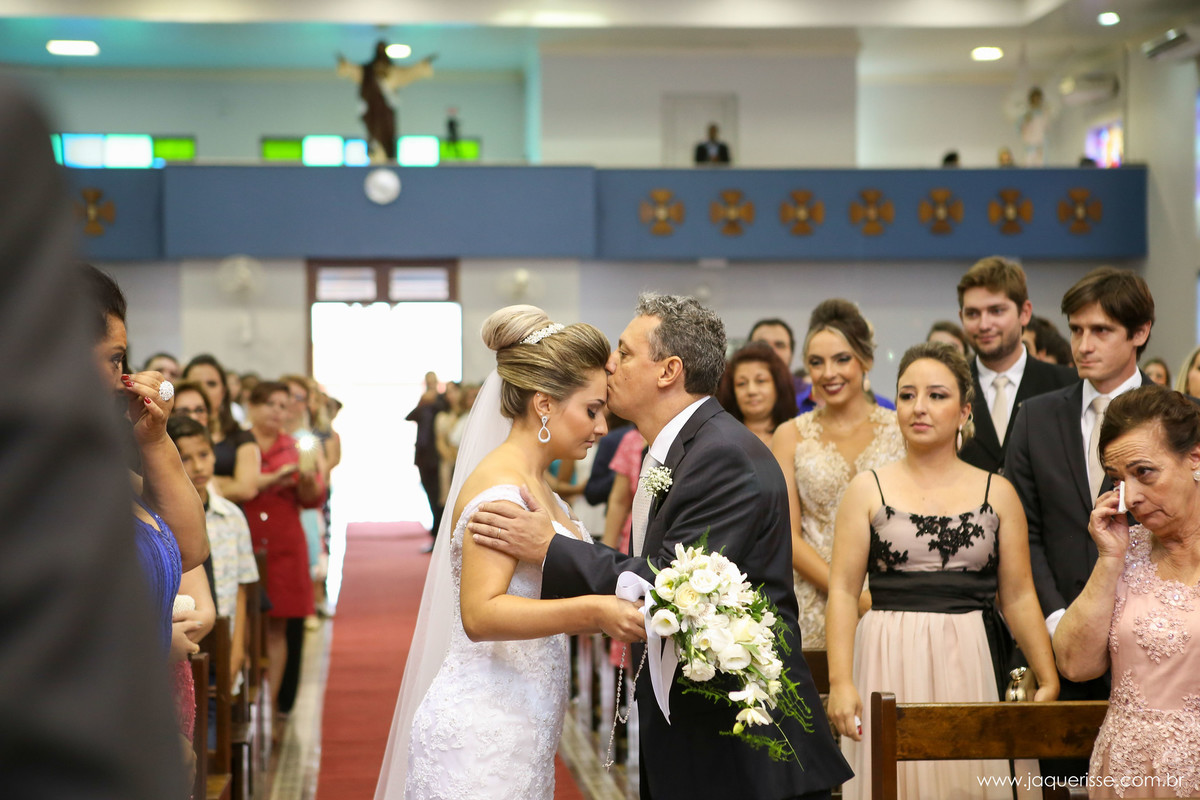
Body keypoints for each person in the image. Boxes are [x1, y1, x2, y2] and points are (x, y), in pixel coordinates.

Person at [471, 293, 852, 799]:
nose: (610, 363)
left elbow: (668, 584)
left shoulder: (723, 458)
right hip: (700, 736)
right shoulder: (679, 449)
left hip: (745, 747)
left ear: (668, 370)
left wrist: (551, 548)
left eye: (625, 353)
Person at [374, 305, 644, 800]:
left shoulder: (538, 485)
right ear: (544, 404)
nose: (604, 425)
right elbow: (480, 614)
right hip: (482, 730)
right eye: (592, 409)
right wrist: (595, 609)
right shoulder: (501, 492)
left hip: (523, 721)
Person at [1, 79, 185, 799]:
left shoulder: (87, 458)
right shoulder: (44, 449)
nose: (121, 376)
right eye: (109, 358)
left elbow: (188, 545)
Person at [826, 342, 1059, 799]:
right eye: (907, 395)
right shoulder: (866, 489)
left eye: (936, 395)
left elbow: (1018, 596)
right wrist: (840, 682)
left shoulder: (999, 491)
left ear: (964, 410)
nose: (919, 407)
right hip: (884, 652)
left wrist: (1046, 672)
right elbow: (842, 590)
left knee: (969, 778)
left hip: (971, 651)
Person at [1005, 267, 1154, 776]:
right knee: (1061, 779)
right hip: (1061, 630)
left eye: (1101, 330)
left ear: (1140, 332)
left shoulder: (1180, 418)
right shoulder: (1036, 416)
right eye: (1076, 330)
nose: (1083, 344)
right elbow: (1024, 530)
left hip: (1159, 638)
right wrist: (1055, 619)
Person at [1054, 385, 1200, 797]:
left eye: (1144, 473)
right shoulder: (1123, 551)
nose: (1130, 498)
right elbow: (1074, 665)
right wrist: (1110, 559)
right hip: (1122, 775)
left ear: (1194, 457)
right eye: (1118, 480)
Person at [772, 299, 905, 648]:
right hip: (814, 601)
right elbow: (788, 534)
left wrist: (874, 595)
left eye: (841, 359)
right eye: (817, 362)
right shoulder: (790, 435)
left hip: (892, 597)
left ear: (867, 360)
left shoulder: (901, 430)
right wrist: (847, 593)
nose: (828, 373)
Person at [241, 380, 326, 720]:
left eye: (282, 405)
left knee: (279, 628)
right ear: (253, 406)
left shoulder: (295, 446)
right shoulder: (239, 442)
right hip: (246, 539)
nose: (278, 411)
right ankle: (245, 708)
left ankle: (271, 709)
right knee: (245, 629)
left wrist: (305, 482)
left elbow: (313, 498)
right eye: (270, 404)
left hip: (284, 544)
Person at [956, 256, 1076, 474]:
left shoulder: (1067, 385)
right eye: (972, 313)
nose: (984, 325)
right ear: (960, 317)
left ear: (1025, 313)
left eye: (996, 311)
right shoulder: (949, 387)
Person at [168, 416, 260, 692]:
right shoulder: (163, 517)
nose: (198, 466)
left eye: (204, 454)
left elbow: (242, 588)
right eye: (185, 458)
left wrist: (237, 650)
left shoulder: (231, 516)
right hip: (179, 639)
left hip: (222, 638)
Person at [336, 41, 435, 163]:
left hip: (387, 115)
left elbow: (410, 73)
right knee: (373, 137)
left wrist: (424, 63)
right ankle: (374, 156)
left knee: (387, 138)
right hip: (372, 113)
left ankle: (386, 157)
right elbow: (353, 71)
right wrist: (344, 63)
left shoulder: (393, 72)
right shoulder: (367, 72)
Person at [184, 354, 260, 503]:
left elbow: (246, 488)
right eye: (196, 384)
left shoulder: (240, 436)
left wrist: (197, 483)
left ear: (223, 391)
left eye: (211, 384)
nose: (204, 390)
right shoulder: (170, 434)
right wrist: (227, 481)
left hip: (230, 520)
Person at [716, 342, 798, 446]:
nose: (751, 391)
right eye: (741, 383)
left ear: (779, 385)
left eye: (760, 381)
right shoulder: (720, 438)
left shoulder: (798, 435)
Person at [407, 371, 446, 550]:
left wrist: (433, 401)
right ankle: (435, 529)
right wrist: (423, 401)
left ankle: (438, 534)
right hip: (422, 455)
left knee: (438, 494)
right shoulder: (424, 402)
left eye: (433, 381)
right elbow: (409, 416)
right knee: (429, 492)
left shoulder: (441, 401)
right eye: (428, 381)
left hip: (436, 456)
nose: (430, 384)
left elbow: (444, 409)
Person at [749, 316, 811, 405]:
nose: (771, 351)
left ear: (791, 354)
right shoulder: (728, 395)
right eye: (761, 344)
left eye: (779, 345)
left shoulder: (809, 394)